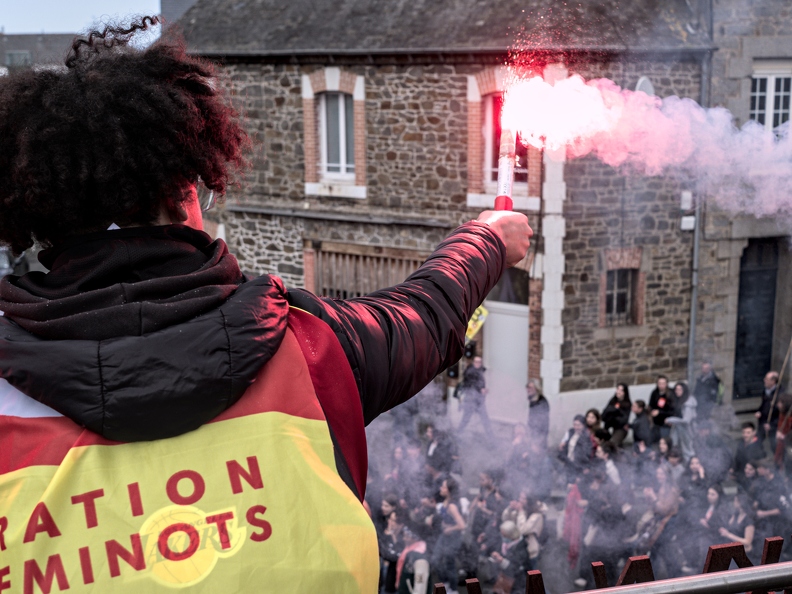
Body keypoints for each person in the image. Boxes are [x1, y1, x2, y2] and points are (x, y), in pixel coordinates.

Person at [0, 18, 533, 591]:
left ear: (36, 219)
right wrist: (489, 241)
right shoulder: (308, 345)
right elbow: (425, 315)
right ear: (187, 193)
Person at [431, 478, 467, 593]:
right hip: (444, 536)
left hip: (453, 538)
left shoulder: (452, 506)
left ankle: (453, 589)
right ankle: (445, 582)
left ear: (450, 490)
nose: (441, 488)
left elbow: (462, 525)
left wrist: (450, 528)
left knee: (449, 563)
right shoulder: (445, 502)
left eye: (444, 487)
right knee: (435, 559)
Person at [456, 356, 493, 435]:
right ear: (473, 362)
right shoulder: (470, 371)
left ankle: (492, 439)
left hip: (478, 401)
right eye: (476, 361)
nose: (478, 363)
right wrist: (480, 389)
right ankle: (457, 435)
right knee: (466, 420)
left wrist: (482, 389)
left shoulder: (480, 370)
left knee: (484, 420)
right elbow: (470, 383)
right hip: (471, 401)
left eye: (479, 362)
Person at [665, 382, 697, 462]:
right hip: (679, 429)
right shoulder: (679, 400)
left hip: (687, 430)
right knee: (674, 447)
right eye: (676, 389)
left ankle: (690, 468)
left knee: (687, 451)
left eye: (680, 389)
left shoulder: (688, 403)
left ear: (684, 390)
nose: (677, 391)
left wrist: (670, 419)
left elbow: (686, 420)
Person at [756, 371, 783, 446]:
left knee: (774, 445)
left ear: (773, 381)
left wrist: (771, 425)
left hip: (773, 426)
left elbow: (781, 415)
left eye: (767, 379)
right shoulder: (766, 391)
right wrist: (759, 411)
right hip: (763, 422)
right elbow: (763, 405)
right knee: (757, 441)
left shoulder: (780, 395)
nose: (764, 380)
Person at [526, 378, 550, 448]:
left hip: (539, 438)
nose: (528, 389)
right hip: (531, 435)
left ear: (536, 388)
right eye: (527, 387)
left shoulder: (542, 402)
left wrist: (538, 441)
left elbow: (543, 424)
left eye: (530, 387)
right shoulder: (531, 399)